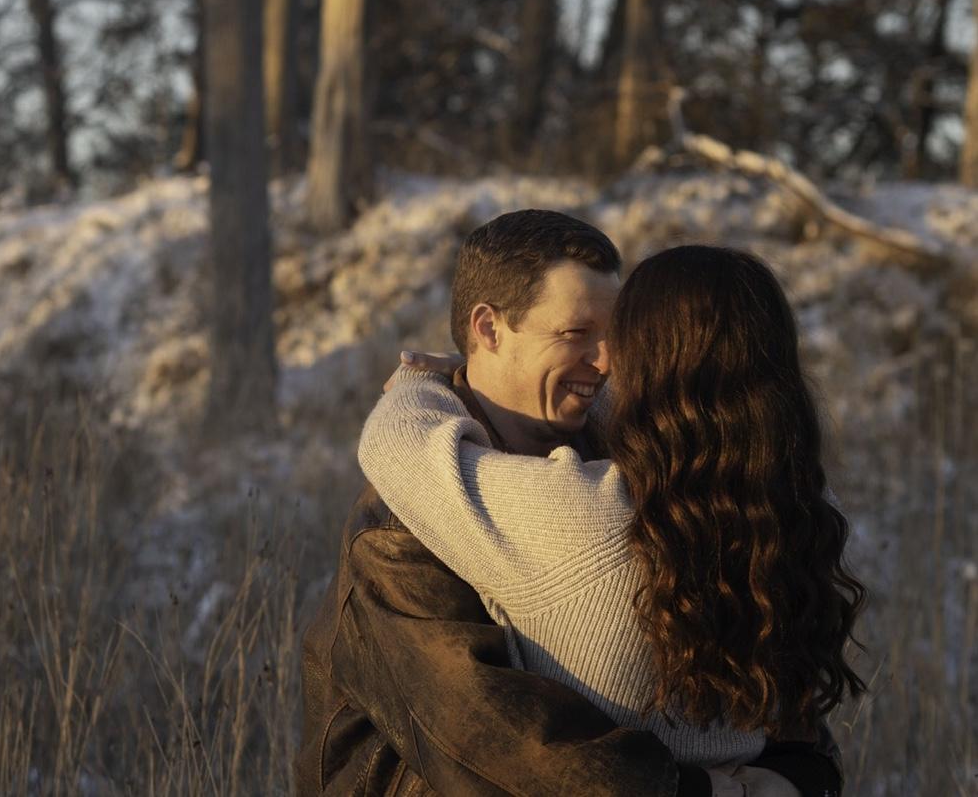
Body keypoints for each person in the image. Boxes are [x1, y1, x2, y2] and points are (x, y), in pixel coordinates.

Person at [297, 210, 849, 797]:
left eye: (616, 337)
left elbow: (776, 695)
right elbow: (496, 743)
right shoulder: (399, 528)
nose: (605, 360)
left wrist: (419, 387)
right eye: (574, 333)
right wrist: (775, 781)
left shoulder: (644, 484)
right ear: (488, 329)